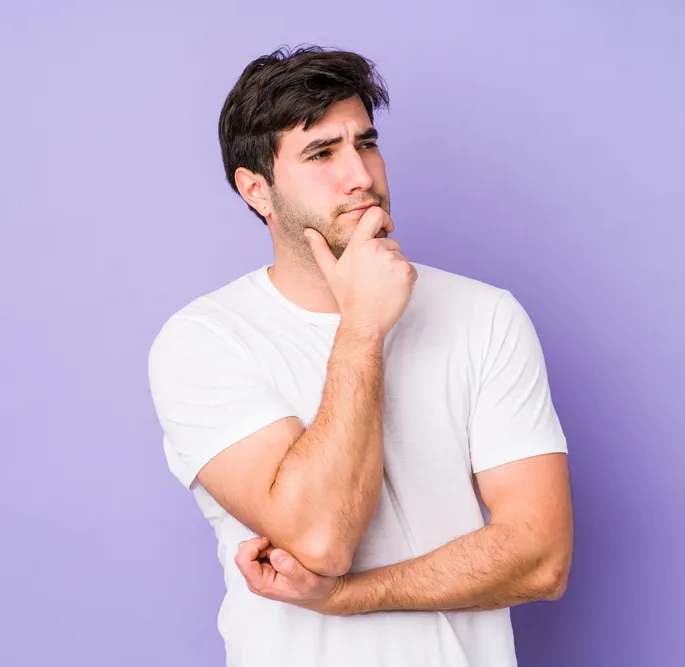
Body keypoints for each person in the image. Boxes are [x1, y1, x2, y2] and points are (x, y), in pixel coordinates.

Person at [147, 45, 573, 667]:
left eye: (365, 143)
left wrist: (344, 599)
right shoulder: (205, 342)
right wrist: (363, 325)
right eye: (322, 153)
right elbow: (320, 537)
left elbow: (542, 557)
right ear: (256, 190)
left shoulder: (485, 315)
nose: (361, 174)